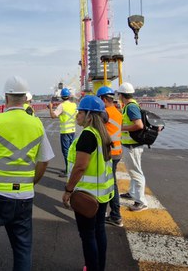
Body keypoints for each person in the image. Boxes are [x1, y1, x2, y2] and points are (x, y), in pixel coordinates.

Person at [0, 75, 54, 271]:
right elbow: (44, 161)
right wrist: (31, 182)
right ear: (25, 98)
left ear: (6, 97)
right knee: (22, 247)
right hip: (23, 197)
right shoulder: (36, 124)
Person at [62, 95, 115, 271]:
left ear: (89, 115)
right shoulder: (103, 134)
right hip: (103, 195)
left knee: (87, 236)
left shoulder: (87, 135)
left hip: (87, 195)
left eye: (80, 112)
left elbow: (80, 167)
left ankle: (92, 267)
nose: (77, 115)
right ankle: (99, 267)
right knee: (99, 232)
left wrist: (68, 190)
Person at [116, 83, 147, 212]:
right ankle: (132, 192)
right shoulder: (129, 106)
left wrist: (121, 128)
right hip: (131, 145)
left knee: (136, 173)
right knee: (133, 171)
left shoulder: (130, 107)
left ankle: (141, 202)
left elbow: (139, 125)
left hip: (132, 146)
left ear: (121, 95)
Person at [96, 86, 123, 227]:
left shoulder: (105, 113)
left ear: (103, 99)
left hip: (109, 153)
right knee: (111, 183)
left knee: (111, 185)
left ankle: (116, 215)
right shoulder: (117, 112)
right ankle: (113, 214)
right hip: (116, 152)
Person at [48, 88, 77, 177]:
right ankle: (72, 168)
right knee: (72, 151)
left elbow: (53, 116)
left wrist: (50, 108)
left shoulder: (61, 106)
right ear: (69, 96)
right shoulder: (74, 105)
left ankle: (69, 170)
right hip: (73, 130)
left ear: (61, 97)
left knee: (66, 152)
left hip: (65, 131)